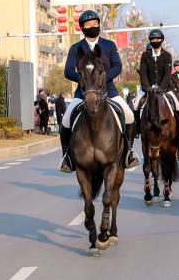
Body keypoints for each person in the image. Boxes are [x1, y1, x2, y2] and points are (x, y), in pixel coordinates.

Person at [58, 10, 139, 172]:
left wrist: (103, 78)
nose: (92, 26)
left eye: (95, 24)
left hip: (109, 91)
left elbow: (118, 66)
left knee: (129, 115)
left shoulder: (109, 45)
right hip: (83, 93)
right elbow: (68, 70)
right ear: (82, 28)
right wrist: (83, 79)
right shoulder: (76, 48)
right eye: (88, 25)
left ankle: (129, 152)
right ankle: (67, 156)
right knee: (66, 120)